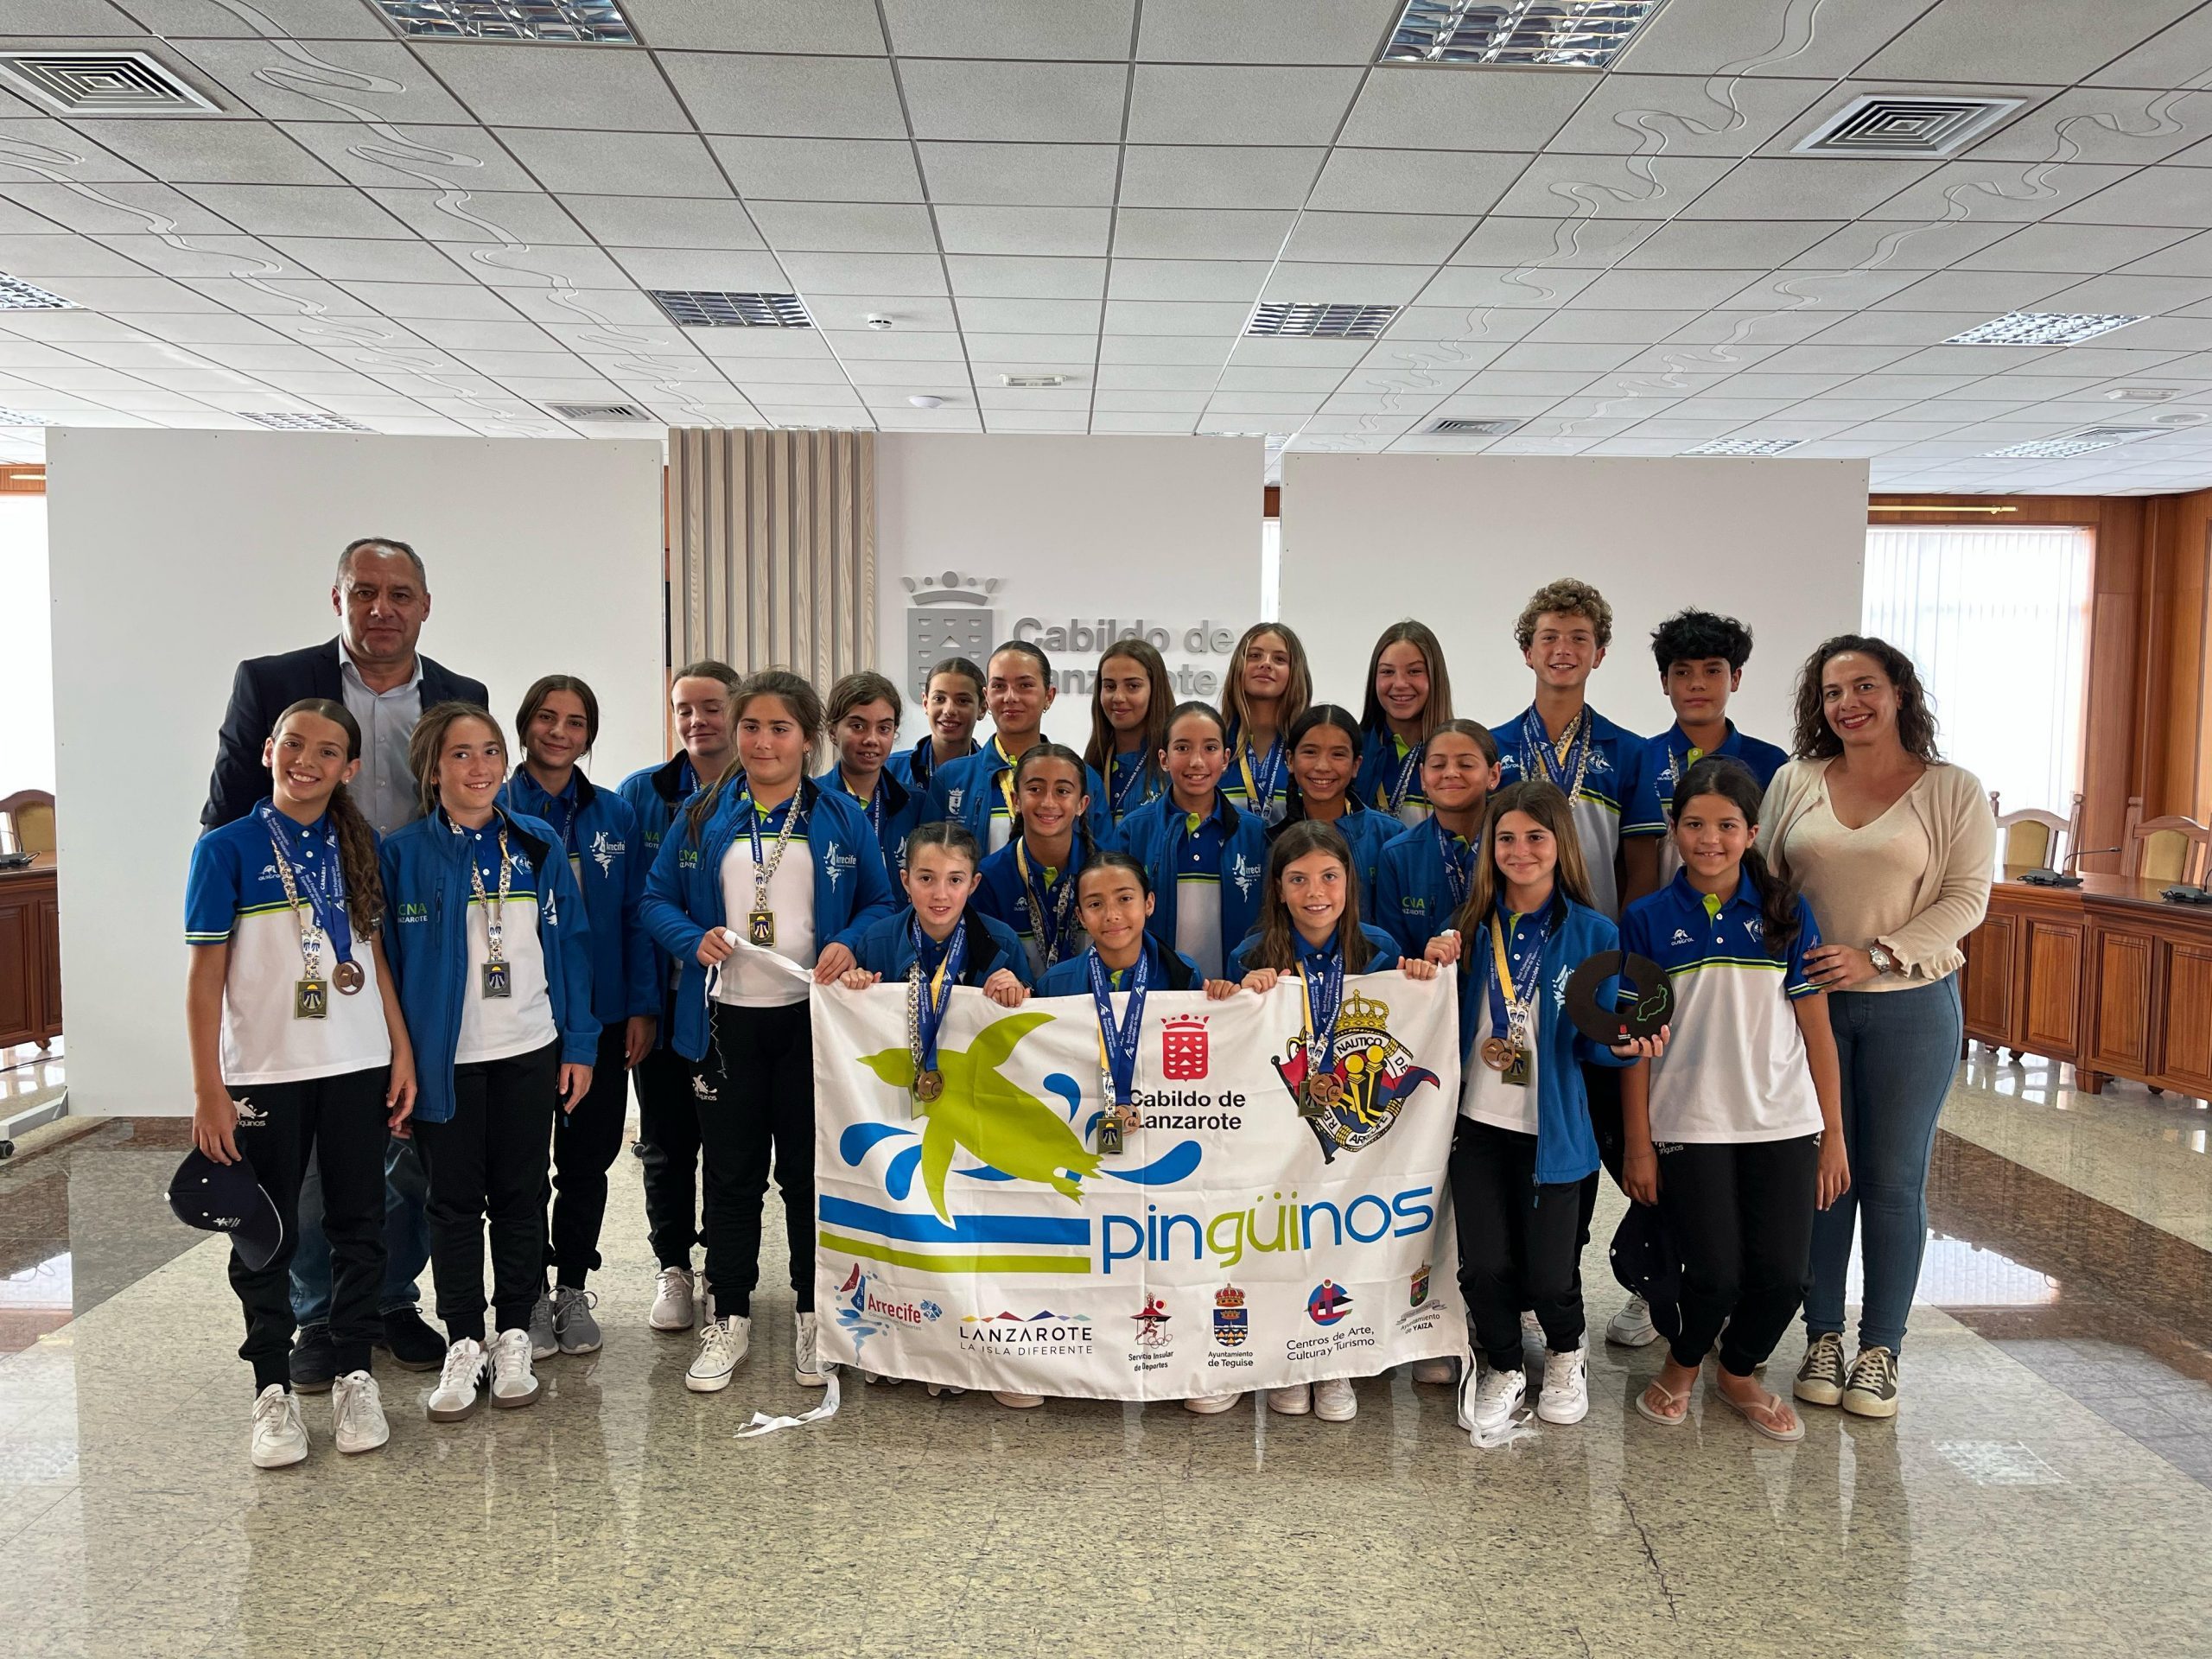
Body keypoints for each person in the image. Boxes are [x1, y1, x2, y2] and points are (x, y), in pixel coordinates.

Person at [201, 537, 480, 1390]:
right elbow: (225, 811)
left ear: (425, 605)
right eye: (364, 592)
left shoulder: (460, 695)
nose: (381, 608)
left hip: (415, 937)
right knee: (312, 1157)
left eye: (400, 593)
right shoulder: (272, 683)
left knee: (409, 1131)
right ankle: (317, 1313)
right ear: (338, 600)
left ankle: (388, 1298)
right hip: (306, 938)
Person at [640, 670, 895, 1397]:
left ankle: (815, 1314)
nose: (762, 742)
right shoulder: (702, 814)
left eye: (780, 729)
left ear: (807, 739)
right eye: (751, 727)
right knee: (731, 1175)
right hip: (726, 1022)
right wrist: (690, 939)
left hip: (811, 1024)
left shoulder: (840, 815)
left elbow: (881, 903)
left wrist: (848, 941)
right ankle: (731, 1314)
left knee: (808, 1178)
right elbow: (655, 900)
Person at [1762, 635, 1993, 1420]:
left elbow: (1967, 897)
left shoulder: (1951, 790)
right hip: (1810, 1009)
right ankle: (1822, 1336)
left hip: (1912, 1007)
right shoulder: (1796, 781)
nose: (1848, 704)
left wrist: (1879, 956)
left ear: (1898, 692)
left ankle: (1881, 1348)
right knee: (1825, 1174)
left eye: (1864, 686)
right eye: (1833, 692)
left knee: (1892, 1180)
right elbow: (1767, 883)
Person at [185, 699, 416, 1467]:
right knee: (265, 1230)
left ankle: (355, 1373)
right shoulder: (226, 849)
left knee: (360, 1222)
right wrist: (209, 1089)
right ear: (267, 751)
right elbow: (204, 978)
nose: (306, 761)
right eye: (293, 744)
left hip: (356, 1063)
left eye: (326, 751)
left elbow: (374, 958)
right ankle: (271, 1389)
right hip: (264, 1071)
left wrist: (400, 1051)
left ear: (350, 768)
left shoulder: (360, 844)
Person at [379, 702, 598, 1423]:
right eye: (461, 754)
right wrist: (397, 1063)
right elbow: (386, 968)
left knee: (521, 1197)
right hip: (446, 1062)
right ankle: (463, 1340)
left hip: (529, 1050)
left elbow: (570, 948)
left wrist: (579, 1044)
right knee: (450, 1205)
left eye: (491, 752)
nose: (480, 768)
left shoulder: (535, 842)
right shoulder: (402, 854)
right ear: (432, 769)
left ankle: (513, 1335)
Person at [1620, 759, 1849, 1443]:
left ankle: (1739, 1370)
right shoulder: (1646, 919)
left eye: (1726, 825)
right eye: (1694, 824)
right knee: (1713, 1275)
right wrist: (1638, 1145)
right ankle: (1684, 1362)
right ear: (1673, 829)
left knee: (1786, 1276)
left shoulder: (1786, 912)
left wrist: (1833, 1134)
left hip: (1782, 1120)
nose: (1709, 839)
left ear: (1752, 833)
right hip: (1688, 1122)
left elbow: (1817, 1031)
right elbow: (1635, 1044)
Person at [1451, 781, 1665, 1444]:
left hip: (1556, 1136)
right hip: (1478, 1129)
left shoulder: (1595, 933)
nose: (1520, 850)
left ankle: (1567, 1353)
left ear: (1561, 844)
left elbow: (1601, 1042)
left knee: (1550, 1273)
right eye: (1506, 838)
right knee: (1484, 1266)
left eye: (1535, 837)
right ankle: (1504, 1365)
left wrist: (1623, 1046)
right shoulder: (1469, 930)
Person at [1491, 578, 1669, 1351]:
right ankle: (1526, 1288)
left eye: (1578, 639)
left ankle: (1571, 1271)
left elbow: (1641, 872)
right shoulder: (1496, 747)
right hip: (1516, 964)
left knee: (1595, 1130)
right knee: (1519, 1125)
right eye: (1549, 638)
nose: (1562, 651)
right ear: (1526, 650)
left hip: (1594, 965)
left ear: (1600, 653)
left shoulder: (1630, 753)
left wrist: (1624, 974)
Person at [1217, 820, 1441, 1421]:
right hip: (1281, 1129)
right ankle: (1286, 1360)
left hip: (1354, 1130)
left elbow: (1410, 1018)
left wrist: (1420, 980)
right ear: (1277, 888)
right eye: (1298, 879)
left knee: (1340, 1235)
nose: (1315, 892)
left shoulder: (1379, 949)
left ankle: (1334, 1361)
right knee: (1285, 1239)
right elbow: (1233, 1044)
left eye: (1329, 877)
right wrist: (1245, 992)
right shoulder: (1251, 954)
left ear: (1350, 882)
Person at [840, 819, 1034, 1406]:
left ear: (974, 884)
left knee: (960, 1228)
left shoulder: (1000, 943)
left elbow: (1032, 1035)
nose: (940, 893)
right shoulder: (878, 940)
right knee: (899, 1226)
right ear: (905, 881)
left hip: (970, 1117)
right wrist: (856, 986)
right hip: (895, 1112)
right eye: (926, 878)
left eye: (954, 879)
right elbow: (850, 1016)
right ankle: (892, 1343)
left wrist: (1015, 992)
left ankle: (954, 1347)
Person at [499, 675, 657, 1363]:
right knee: (522, 1169)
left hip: (603, 1012)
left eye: (574, 722)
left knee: (586, 1162)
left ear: (589, 735)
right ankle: (527, 1293)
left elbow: (636, 916)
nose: (559, 732)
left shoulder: (615, 814)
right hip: (520, 1019)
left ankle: (570, 1286)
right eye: (546, 717)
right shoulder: (495, 806)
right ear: (524, 725)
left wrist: (642, 1006)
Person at [619, 660, 739, 1335]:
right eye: (684, 709)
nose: (697, 721)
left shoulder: (765, 791)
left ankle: (723, 1267)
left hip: (740, 1007)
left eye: (712, 707)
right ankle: (673, 1265)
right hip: (665, 1004)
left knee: (729, 1147)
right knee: (665, 1145)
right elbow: (635, 909)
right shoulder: (643, 793)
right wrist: (641, 1005)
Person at [1112, 702, 1269, 983]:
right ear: (1164, 759)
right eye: (1183, 748)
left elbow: (1268, 922)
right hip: (1157, 993)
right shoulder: (1134, 831)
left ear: (1225, 758)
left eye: (1210, 748)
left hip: (1233, 992)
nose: (1197, 761)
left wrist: (1245, 976)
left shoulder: (1254, 833)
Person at [1644, 609, 1790, 886]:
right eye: (1682, 672)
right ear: (1665, 682)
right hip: (1658, 911)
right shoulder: (1641, 759)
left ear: (1735, 678)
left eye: (1712, 671)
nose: (1697, 684)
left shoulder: (1772, 763)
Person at [930, 641, 1109, 852]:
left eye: (1025, 685)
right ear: (987, 697)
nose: (1010, 697)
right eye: (999, 686)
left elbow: (1104, 861)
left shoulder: (1083, 778)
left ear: (1049, 696)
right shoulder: (951, 778)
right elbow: (928, 858)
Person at [1374, 720, 1499, 961]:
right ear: (1423, 776)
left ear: (1493, 775)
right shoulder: (1397, 855)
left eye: (1466, 764)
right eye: (1438, 765)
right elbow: (1394, 955)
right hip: (1427, 982)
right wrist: (1421, 964)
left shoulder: (1514, 849)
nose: (1450, 773)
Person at [973, 743, 1096, 979]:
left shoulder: (1108, 873)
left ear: (1081, 804)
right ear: (1016, 800)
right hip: (1014, 1002)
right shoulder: (989, 879)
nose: (1048, 802)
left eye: (1062, 791)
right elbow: (985, 967)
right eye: (1035, 789)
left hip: (1092, 1001)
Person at [1269, 704, 1396, 919]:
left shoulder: (1388, 836)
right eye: (1310, 752)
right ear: (1290, 760)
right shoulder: (1270, 838)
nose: (1322, 766)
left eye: (1338, 754)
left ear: (1356, 765)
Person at [817, 671, 925, 880]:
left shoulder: (916, 804)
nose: (871, 739)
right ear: (832, 731)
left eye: (884, 728)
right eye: (858, 726)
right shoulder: (811, 801)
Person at [1353, 621, 1453, 825]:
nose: (1399, 684)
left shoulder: (1461, 756)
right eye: (1387, 672)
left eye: (1414, 671)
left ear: (1435, 677)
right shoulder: (1353, 749)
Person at [1218, 623, 1312, 828]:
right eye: (1254, 656)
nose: (1266, 664)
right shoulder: (1214, 744)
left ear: (1295, 671)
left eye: (1279, 659)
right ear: (1238, 666)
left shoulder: (1309, 747)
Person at [1084, 639, 1170, 827]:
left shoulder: (1174, 767)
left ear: (1155, 690)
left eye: (1133, 686)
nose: (1118, 697)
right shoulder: (1088, 769)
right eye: (1110, 686)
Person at [886, 656, 983, 795]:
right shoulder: (889, 769)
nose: (949, 710)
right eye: (939, 699)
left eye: (962, 701)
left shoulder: (995, 774)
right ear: (926, 704)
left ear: (982, 708)